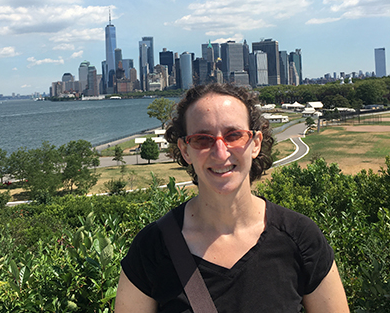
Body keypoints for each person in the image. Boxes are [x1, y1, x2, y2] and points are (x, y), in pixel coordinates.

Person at [115, 83, 349, 312]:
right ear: (185, 150)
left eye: (234, 135)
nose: (220, 152)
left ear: (255, 143)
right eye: (202, 139)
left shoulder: (300, 238)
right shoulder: (152, 248)